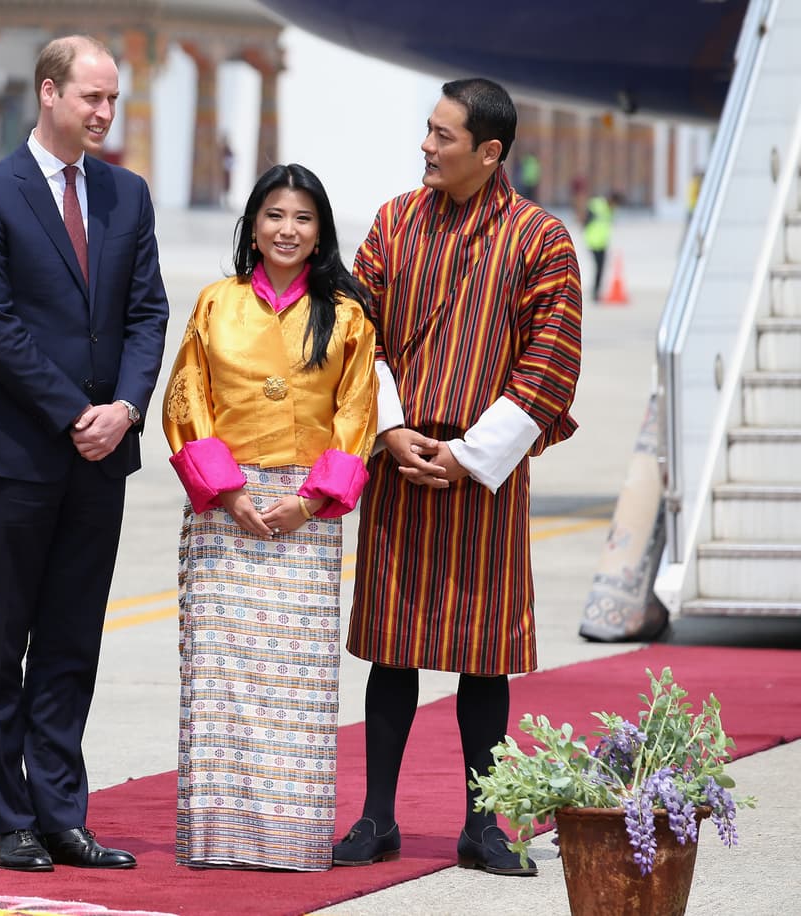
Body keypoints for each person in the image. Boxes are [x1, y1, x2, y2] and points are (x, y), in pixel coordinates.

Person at [333, 78, 582, 876]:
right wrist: (391, 428)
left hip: (486, 472)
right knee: (390, 648)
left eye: (443, 136)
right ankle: (376, 818)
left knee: (485, 654)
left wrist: (473, 454)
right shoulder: (395, 222)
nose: (426, 147)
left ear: (490, 152)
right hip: (401, 460)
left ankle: (484, 823)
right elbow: (355, 331)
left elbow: (552, 360)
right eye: (427, 131)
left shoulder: (541, 239)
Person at [0, 35, 169, 873]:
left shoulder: (126, 194)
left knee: (75, 642)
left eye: (113, 100)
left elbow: (147, 313)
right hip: (17, 456)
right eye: (92, 98)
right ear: (49, 93)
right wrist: (75, 410)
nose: (105, 114)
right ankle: (9, 818)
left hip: (102, 455)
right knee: (4, 643)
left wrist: (123, 409)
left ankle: (63, 814)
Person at [162, 163, 378, 871]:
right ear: (252, 225)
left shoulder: (346, 316)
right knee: (222, 677)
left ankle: (291, 838)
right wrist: (228, 492)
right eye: (275, 215)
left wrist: (309, 501)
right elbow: (187, 397)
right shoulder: (215, 304)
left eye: (303, 218)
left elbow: (357, 414)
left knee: (299, 681)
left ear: (321, 234)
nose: (288, 230)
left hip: (304, 516)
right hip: (226, 511)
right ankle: (219, 838)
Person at [584, 191, 623, 302]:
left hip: (602, 243)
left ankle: (596, 292)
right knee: (598, 267)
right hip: (592, 241)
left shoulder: (610, 211)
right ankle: (595, 292)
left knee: (600, 268)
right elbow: (586, 218)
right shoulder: (597, 204)